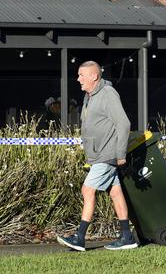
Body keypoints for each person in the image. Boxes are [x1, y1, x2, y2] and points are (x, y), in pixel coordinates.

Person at [57, 61, 138, 251]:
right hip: (99, 155)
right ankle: (127, 237)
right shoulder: (89, 96)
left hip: (107, 154)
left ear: (94, 76)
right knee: (115, 192)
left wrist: (120, 154)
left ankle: (79, 237)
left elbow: (123, 124)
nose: (78, 79)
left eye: (81, 75)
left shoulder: (108, 94)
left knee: (87, 190)